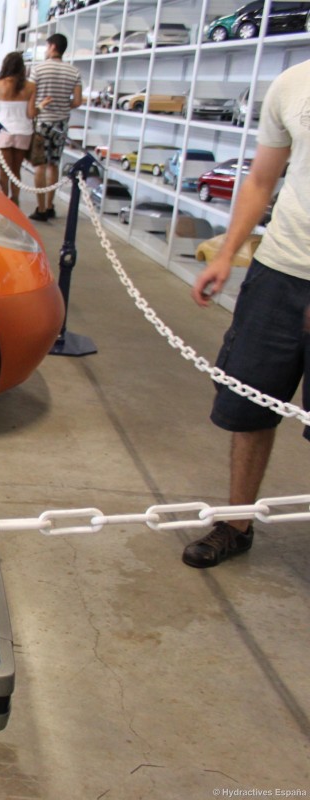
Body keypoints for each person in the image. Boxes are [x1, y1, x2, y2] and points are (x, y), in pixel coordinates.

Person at [185, 59, 310, 568]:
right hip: (279, 270)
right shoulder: (292, 83)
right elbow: (261, 178)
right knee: (249, 405)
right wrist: (225, 253)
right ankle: (236, 523)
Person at [28, 33, 82, 222]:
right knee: (54, 165)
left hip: (43, 122)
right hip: (61, 124)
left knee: (40, 166)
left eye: (46, 46)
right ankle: (50, 205)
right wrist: (63, 103)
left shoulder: (38, 70)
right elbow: (77, 101)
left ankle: (41, 208)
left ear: (52, 46)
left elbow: (31, 99)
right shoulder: (73, 72)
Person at [0, 51, 37, 205]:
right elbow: (31, 114)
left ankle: (4, 204)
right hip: (23, 132)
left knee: (4, 172)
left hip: (3, 131)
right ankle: (15, 201)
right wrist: (41, 107)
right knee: (16, 171)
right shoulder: (30, 87)